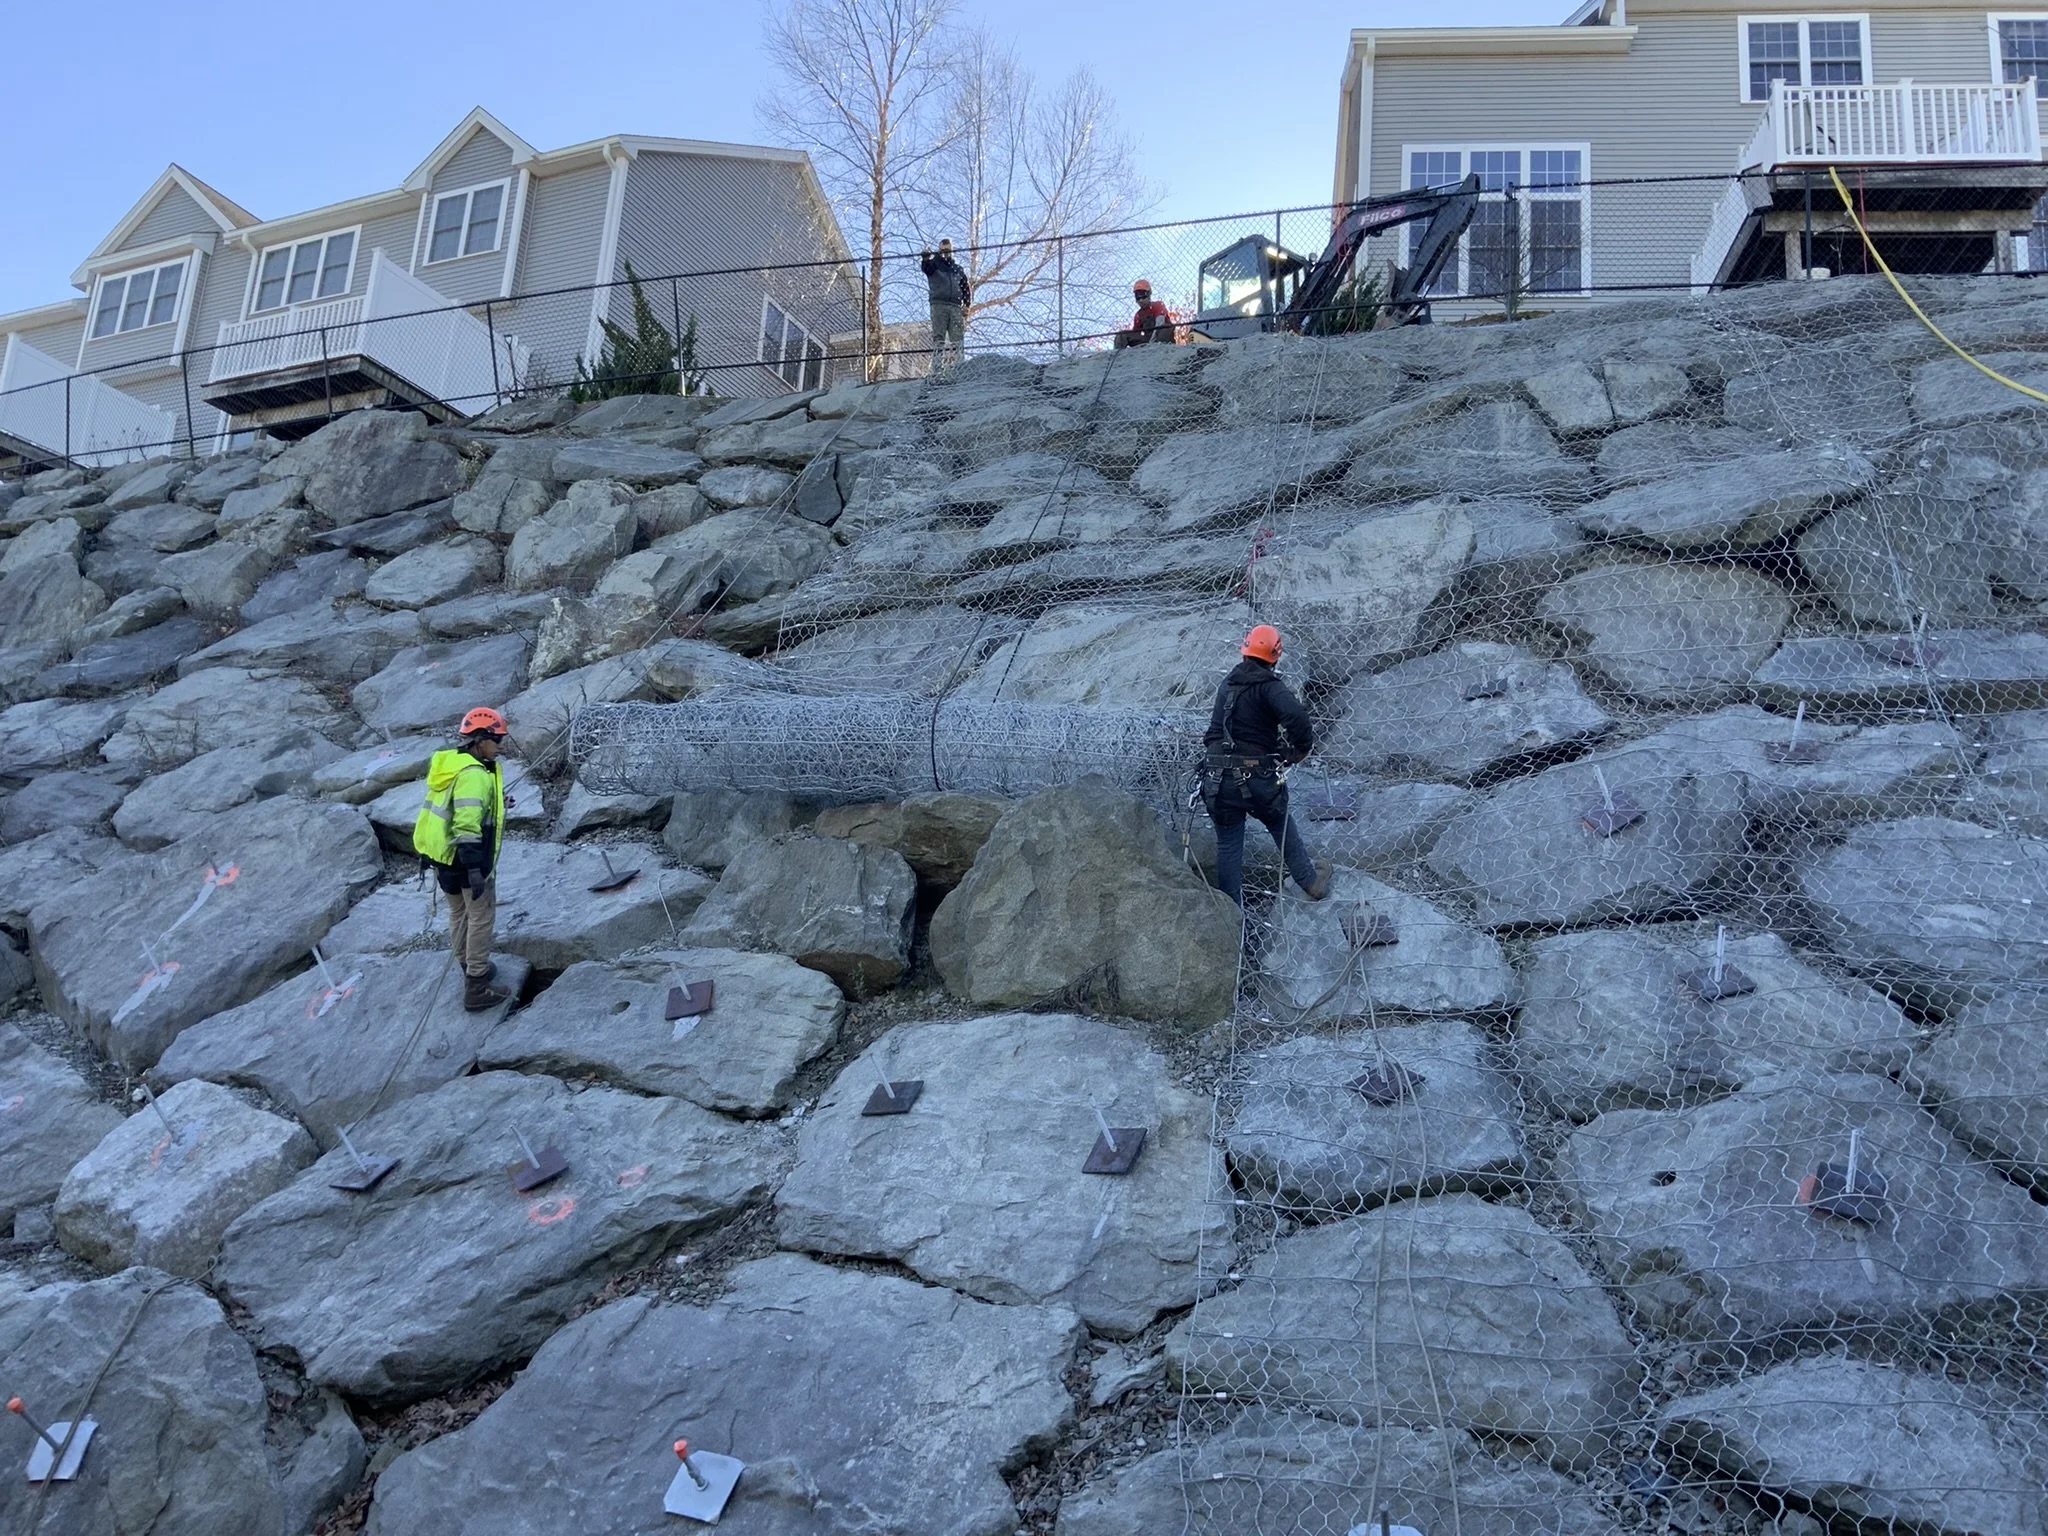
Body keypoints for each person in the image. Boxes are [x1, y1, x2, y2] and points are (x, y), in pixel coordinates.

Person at [1201, 625, 1332, 907]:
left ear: (1245, 651)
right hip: (1257, 777)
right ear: (1276, 656)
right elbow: (1298, 718)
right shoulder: (1270, 687)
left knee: (1228, 843)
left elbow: (1213, 733)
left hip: (1217, 780)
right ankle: (1310, 881)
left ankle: (1230, 914)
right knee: (1279, 821)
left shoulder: (1228, 684)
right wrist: (1297, 751)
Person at [412, 706, 511, 1010]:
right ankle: (477, 986)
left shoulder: (452, 765)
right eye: (496, 740)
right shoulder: (475, 775)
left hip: (442, 859)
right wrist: (475, 870)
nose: (500, 747)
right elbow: (466, 824)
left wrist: (498, 803)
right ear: (480, 739)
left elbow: (456, 808)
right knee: (480, 917)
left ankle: (467, 964)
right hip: (465, 860)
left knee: (458, 913)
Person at [920, 239, 971, 370]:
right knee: (939, 337)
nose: (946, 254)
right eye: (944, 250)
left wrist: (966, 304)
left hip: (955, 306)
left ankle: (960, 368)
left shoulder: (957, 269)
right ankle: (937, 369)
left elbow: (965, 286)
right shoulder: (934, 264)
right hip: (939, 304)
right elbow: (926, 269)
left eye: (949, 250)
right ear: (940, 250)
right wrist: (926, 258)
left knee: (958, 338)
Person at [1113, 279, 1177, 348]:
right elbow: (1136, 333)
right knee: (1122, 335)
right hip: (1147, 339)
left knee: (1164, 328)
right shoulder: (1138, 315)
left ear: (1149, 294)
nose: (1140, 300)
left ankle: (1161, 350)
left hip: (1162, 337)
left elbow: (1160, 323)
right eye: (1137, 297)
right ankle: (1117, 356)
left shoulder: (1158, 305)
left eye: (1143, 296)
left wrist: (1151, 344)